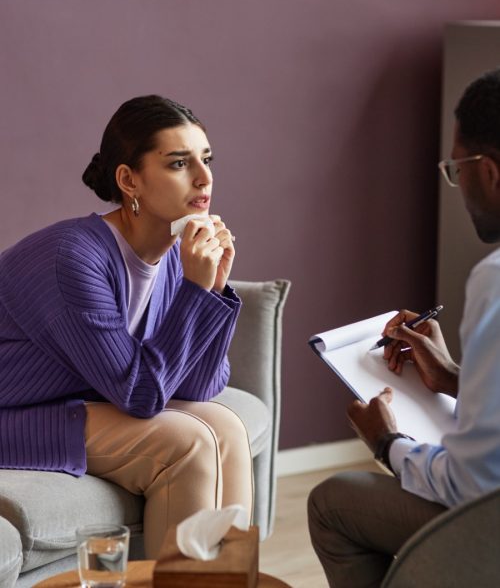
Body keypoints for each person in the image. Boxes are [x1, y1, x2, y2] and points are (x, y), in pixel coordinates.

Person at [0, 95, 253, 559]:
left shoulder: (175, 255)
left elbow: (201, 384)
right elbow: (140, 395)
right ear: (128, 179)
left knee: (226, 426)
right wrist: (195, 295)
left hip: (81, 401)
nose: (204, 177)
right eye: (179, 163)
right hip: (13, 416)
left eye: (206, 159)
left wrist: (213, 291)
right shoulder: (73, 256)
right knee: (190, 441)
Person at [308, 67, 500, 587]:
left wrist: (388, 444)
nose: (459, 188)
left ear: (489, 171)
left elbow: (474, 485)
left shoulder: (496, 279)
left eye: (457, 169)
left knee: (332, 502)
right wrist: (454, 378)